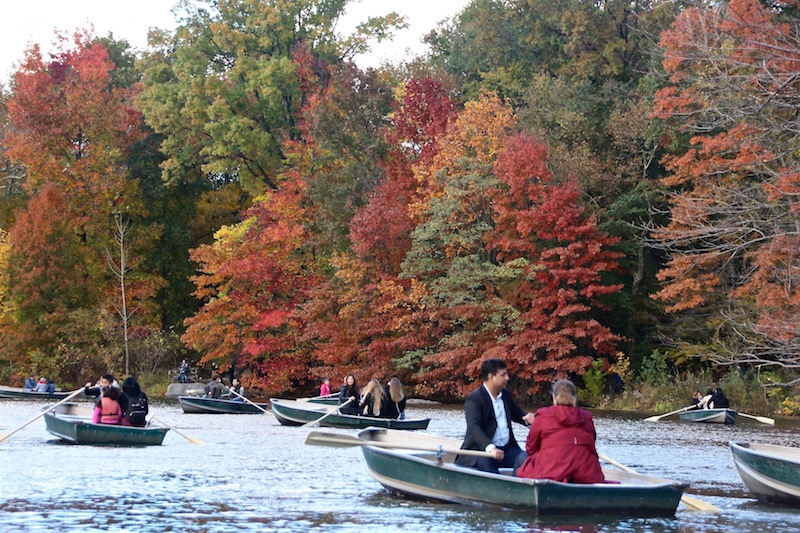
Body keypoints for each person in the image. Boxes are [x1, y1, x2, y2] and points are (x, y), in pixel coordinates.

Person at [516, 379, 605, 483]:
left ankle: (514, 494)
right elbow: (591, 442)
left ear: (554, 397)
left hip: (552, 472)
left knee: (521, 458)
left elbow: (530, 448)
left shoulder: (543, 415)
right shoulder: (587, 417)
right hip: (587, 473)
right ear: (575, 398)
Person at [455, 358, 536, 473]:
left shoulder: (506, 395)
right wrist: (490, 448)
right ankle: (495, 489)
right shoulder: (475, 399)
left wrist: (529, 419)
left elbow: (517, 414)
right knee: (486, 462)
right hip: (481, 450)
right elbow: (474, 427)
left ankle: (518, 488)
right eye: (503, 375)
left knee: (526, 459)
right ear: (491, 377)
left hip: (507, 449)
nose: (507, 378)